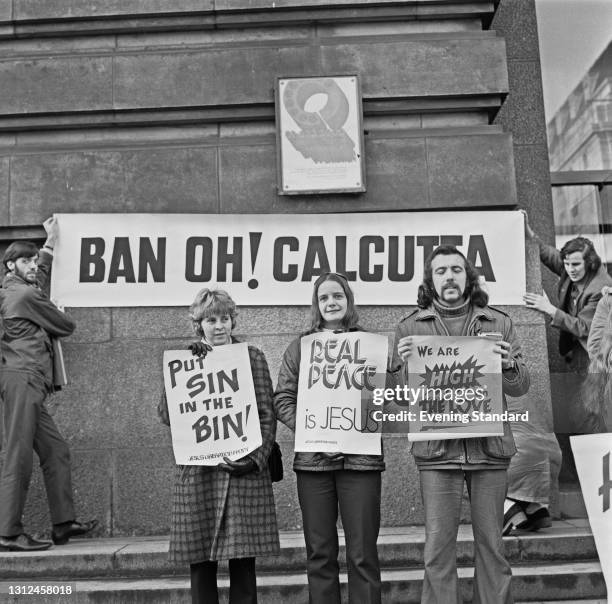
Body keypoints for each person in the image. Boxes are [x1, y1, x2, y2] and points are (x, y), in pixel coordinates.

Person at [392, 245, 529, 604]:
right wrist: (406, 367)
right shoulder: (409, 328)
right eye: (440, 271)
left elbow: (520, 387)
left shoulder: (499, 323)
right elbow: (394, 396)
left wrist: (507, 365)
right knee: (437, 549)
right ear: (430, 281)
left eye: (456, 269)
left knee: (492, 546)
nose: (449, 276)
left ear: (468, 276)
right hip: (437, 455)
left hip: (490, 451)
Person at [158, 288, 279, 604]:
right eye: (211, 319)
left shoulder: (252, 358)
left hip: (242, 473)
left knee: (243, 562)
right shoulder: (185, 361)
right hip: (200, 473)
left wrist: (256, 459)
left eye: (224, 318)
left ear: (232, 321)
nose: (219, 325)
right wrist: (185, 372)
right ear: (199, 324)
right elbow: (166, 414)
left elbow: (267, 413)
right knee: (200, 561)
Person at [274, 272, 384, 604]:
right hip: (313, 463)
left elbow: (387, 396)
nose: (331, 302)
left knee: (363, 552)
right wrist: (311, 430)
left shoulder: (371, 345)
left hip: (361, 463)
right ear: (317, 305)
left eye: (337, 296)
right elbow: (283, 399)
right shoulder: (301, 347)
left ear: (348, 301)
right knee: (319, 553)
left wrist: (395, 371)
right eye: (324, 298)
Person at [0, 217, 97, 552]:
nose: (31, 266)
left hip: (31, 382)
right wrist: (56, 310)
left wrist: (50, 244)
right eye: (24, 261)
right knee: (18, 455)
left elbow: (38, 279)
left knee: (55, 450)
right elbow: (65, 325)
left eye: (32, 260)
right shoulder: (23, 296)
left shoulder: (22, 290)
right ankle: (9, 533)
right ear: (10, 265)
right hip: (21, 378)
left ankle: (63, 523)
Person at [522, 211, 612, 480]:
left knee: (594, 415)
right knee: (584, 413)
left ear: (590, 263)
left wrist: (550, 309)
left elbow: (586, 328)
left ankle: (602, 476)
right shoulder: (568, 268)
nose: (570, 269)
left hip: (595, 358)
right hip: (578, 358)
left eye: (576, 265)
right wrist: (526, 229)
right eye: (568, 264)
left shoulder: (600, 288)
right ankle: (596, 475)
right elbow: (547, 253)